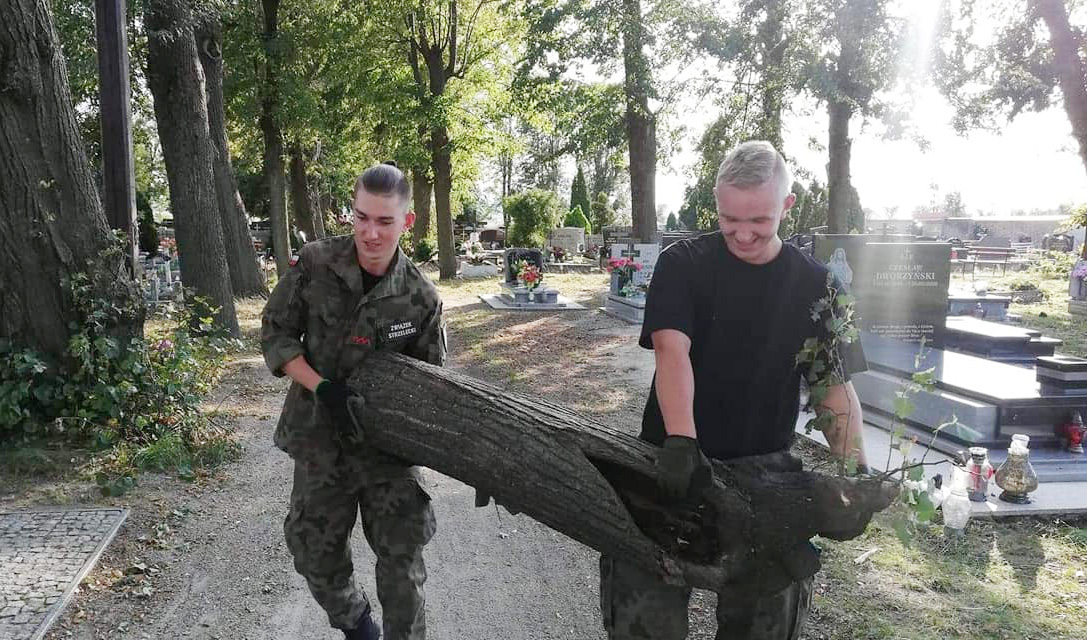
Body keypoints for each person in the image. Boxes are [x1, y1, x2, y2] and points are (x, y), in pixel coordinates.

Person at [599, 141, 868, 640]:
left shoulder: (819, 288)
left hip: (768, 479)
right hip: (673, 466)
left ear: (787, 206)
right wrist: (682, 442)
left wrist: (858, 472)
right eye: (730, 219)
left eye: (760, 221)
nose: (743, 234)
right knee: (643, 621)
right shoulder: (686, 264)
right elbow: (671, 351)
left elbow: (832, 387)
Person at [261, 163, 446, 640]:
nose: (370, 231)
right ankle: (358, 626)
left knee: (402, 567)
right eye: (361, 217)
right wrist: (321, 386)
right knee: (313, 555)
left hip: (388, 454)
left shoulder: (421, 298)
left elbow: (432, 388)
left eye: (384, 221)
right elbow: (276, 333)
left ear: (407, 222)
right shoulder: (316, 264)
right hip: (321, 440)